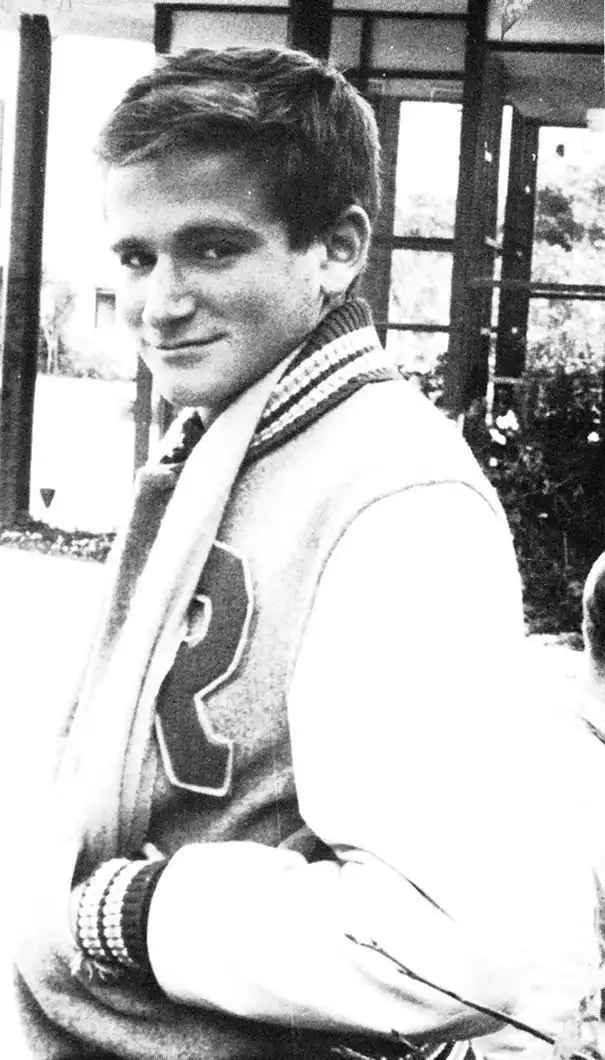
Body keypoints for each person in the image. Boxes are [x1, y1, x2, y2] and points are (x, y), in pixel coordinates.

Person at [12, 44, 605, 1060]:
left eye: (211, 250)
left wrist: (137, 914)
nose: (161, 302)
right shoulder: (240, 436)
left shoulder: (395, 499)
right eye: (136, 258)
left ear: (335, 248)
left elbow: (459, 945)